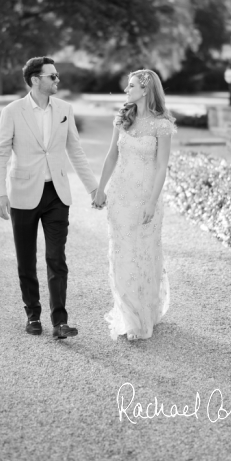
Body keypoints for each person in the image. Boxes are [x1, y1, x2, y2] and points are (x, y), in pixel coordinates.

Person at [0, 56, 100, 338]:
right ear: (35, 79)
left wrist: (93, 188)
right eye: (52, 76)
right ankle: (33, 316)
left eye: (57, 76)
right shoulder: (13, 112)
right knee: (25, 260)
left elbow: (75, 150)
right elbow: (0, 154)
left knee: (57, 259)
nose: (57, 80)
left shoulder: (64, 109)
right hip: (23, 195)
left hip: (56, 194)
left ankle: (60, 321)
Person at [92, 69, 175, 341]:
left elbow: (162, 166)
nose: (126, 90)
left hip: (146, 199)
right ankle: (128, 316)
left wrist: (152, 201)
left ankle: (145, 313)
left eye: (132, 85)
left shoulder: (161, 125)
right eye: (128, 86)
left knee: (145, 253)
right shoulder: (123, 119)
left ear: (146, 90)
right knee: (122, 252)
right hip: (120, 197)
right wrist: (100, 189)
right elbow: (111, 155)